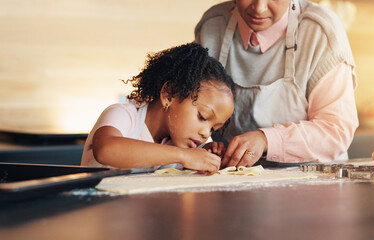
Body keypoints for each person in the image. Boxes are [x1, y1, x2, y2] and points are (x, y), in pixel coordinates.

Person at [195, 0, 359, 168]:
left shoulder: (321, 32)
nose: (259, 8)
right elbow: (191, 114)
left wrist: (265, 140)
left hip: (313, 180)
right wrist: (207, 147)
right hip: (230, 178)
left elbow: (335, 131)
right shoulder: (212, 25)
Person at [81, 43, 235, 175]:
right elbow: (106, 150)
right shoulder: (124, 115)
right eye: (202, 117)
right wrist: (184, 156)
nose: (206, 133)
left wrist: (203, 159)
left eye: (213, 129)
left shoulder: (175, 145)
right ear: (169, 94)